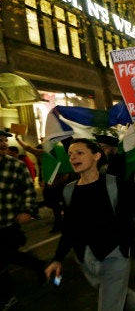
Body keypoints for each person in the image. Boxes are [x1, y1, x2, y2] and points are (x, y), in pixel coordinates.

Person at [44, 138, 135, 311]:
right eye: (70, 154)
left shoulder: (115, 185)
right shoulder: (69, 190)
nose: (73, 157)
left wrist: (128, 245)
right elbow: (69, 228)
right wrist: (58, 258)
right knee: (110, 290)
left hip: (115, 256)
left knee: (108, 304)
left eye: (80, 152)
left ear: (97, 156)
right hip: (86, 258)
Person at [0, 131, 39, 309]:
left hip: (8, 223)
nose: (3, 143)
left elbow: (28, 191)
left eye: (4, 140)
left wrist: (27, 210)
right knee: (6, 258)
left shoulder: (15, 165)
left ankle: (8, 297)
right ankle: (38, 266)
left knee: (3, 260)